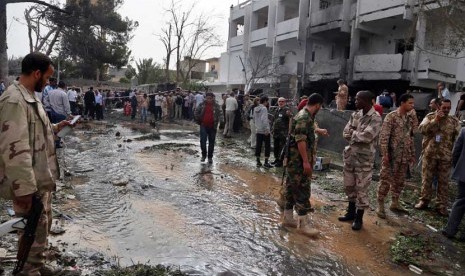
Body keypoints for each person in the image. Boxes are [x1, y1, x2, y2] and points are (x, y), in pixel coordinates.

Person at [0, 52, 73, 276]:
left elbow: (36, 132)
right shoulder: (14, 100)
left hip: (40, 179)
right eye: (48, 78)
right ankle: (28, 271)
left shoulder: (30, 96)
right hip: (29, 182)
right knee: (32, 228)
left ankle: (36, 265)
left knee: (41, 226)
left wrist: (56, 128)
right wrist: (24, 189)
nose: (49, 83)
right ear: (37, 73)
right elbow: (14, 148)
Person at [279, 93, 324, 237]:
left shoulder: (304, 115)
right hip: (298, 162)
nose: (319, 109)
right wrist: (306, 162)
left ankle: (287, 218)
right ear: (317, 105)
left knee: (291, 188)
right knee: (302, 190)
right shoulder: (305, 117)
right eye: (320, 107)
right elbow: (301, 140)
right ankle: (303, 225)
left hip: (295, 161)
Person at [339, 91, 382, 230]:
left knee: (361, 189)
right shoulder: (355, 114)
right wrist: (355, 134)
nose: (355, 101)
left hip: (364, 160)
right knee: (349, 186)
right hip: (350, 157)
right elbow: (345, 132)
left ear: (368, 101)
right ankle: (350, 213)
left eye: (358, 99)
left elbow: (367, 136)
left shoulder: (375, 118)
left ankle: (359, 218)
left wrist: (353, 133)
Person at [415, 99, 461, 216]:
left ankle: (441, 206)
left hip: (445, 157)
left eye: (448, 108)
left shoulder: (453, 121)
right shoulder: (430, 117)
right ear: (438, 107)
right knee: (427, 179)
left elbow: (458, 137)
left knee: (443, 182)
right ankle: (424, 201)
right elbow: (421, 129)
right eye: (444, 108)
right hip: (430, 155)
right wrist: (436, 120)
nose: (446, 110)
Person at [376, 94, 417, 218]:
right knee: (385, 180)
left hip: (404, 156)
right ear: (402, 103)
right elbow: (384, 137)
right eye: (410, 103)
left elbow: (411, 137)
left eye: (413, 103)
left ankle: (395, 202)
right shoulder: (391, 117)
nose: (412, 105)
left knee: (400, 181)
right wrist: (385, 154)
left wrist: (412, 154)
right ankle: (380, 204)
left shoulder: (409, 119)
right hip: (392, 156)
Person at [442, 127, 465, 240]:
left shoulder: (464, 130)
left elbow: (456, 151)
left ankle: (450, 230)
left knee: (460, 201)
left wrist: (458, 168)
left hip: (464, 174)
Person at [194, 92, 224, 164]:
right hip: (203, 125)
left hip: (213, 126)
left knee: (211, 142)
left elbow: (221, 114)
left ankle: (210, 157)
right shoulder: (202, 104)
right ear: (205, 98)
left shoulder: (216, 105)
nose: (209, 100)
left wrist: (222, 122)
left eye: (210, 98)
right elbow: (196, 112)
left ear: (213, 98)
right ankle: (203, 155)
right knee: (203, 141)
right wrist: (199, 120)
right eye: (207, 98)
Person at [272, 97, 292, 167]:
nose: (280, 103)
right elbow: (274, 120)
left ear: (285, 102)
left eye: (282, 101)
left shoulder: (286, 110)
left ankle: (280, 161)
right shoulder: (277, 110)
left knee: (282, 147)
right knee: (276, 147)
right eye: (279, 101)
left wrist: (289, 132)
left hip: (283, 134)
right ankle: (276, 159)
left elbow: (291, 120)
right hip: (276, 133)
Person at [254, 95, 272, 168]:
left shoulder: (255, 108)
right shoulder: (264, 108)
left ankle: (258, 161)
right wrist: (266, 129)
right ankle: (266, 162)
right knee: (267, 146)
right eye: (267, 101)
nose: (267, 103)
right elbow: (263, 119)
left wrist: (258, 127)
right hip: (264, 131)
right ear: (265, 101)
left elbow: (255, 119)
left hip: (258, 130)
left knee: (258, 145)